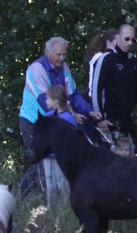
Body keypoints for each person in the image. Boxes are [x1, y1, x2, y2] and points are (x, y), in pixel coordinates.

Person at [17, 36, 97, 196]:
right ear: (48, 53)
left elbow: (72, 94)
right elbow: (44, 101)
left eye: (64, 54)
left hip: (54, 121)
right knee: (40, 159)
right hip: (35, 120)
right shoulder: (36, 69)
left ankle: (34, 197)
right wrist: (68, 114)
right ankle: (26, 196)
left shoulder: (64, 68)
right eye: (58, 54)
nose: (62, 58)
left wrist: (89, 110)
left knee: (50, 160)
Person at [95, 24, 137, 151]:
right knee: (112, 156)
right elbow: (96, 90)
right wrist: (100, 118)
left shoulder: (133, 61)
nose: (130, 43)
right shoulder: (106, 59)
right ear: (117, 38)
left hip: (126, 119)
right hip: (109, 118)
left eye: (133, 40)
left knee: (128, 154)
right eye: (126, 39)